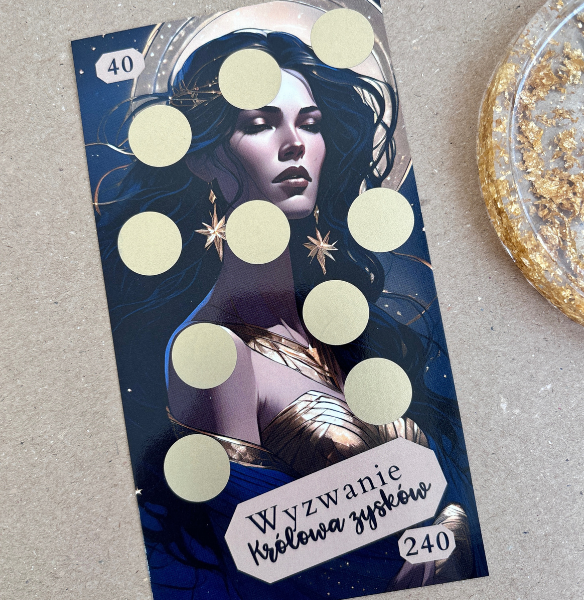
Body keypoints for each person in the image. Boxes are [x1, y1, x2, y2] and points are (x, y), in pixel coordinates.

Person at [97, 30, 486, 600]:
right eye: (259, 124)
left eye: (310, 122)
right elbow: (259, 565)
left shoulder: (345, 330)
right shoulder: (215, 354)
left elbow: (444, 497)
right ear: (205, 160)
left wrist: (448, 528)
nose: (294, 144)